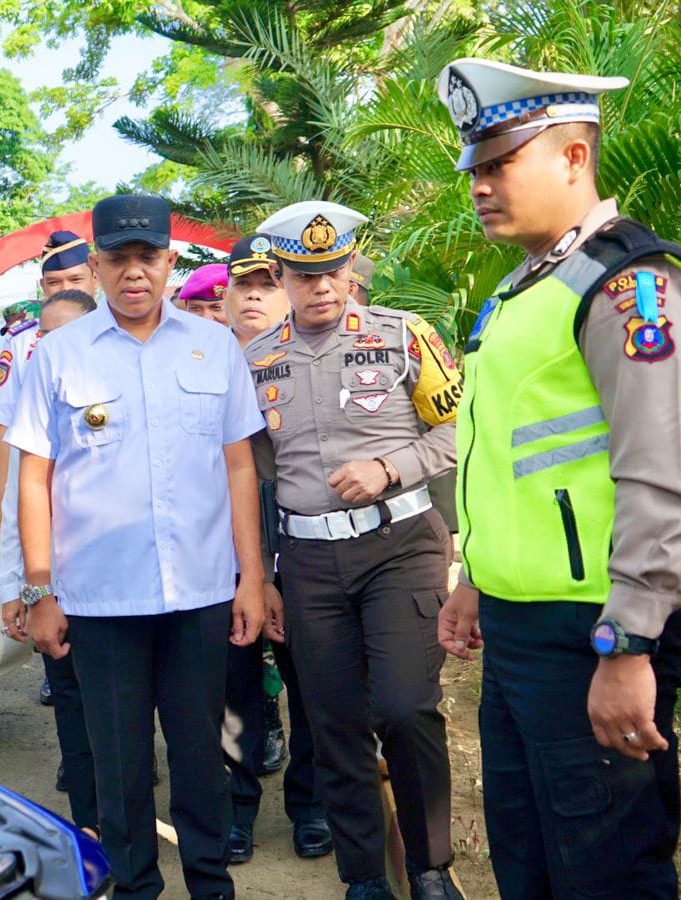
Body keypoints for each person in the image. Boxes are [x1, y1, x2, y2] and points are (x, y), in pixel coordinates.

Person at [433, 59, 681, 898]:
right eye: (475, 168)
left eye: (500, 163)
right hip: (519, 627)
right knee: (529, 862)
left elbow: (661, 476)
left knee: (606, 868)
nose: (480, 187)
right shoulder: (524, 288)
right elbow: (508, 457)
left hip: (594, 627)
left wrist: (629, 643)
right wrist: (477, 580)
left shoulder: (629, 286)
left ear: (574, 156)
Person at [9, 194, 266, 900]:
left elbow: (239, 467)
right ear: (94, 266)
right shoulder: (58, 354)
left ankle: (210, 884)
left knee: (200, 756)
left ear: (169, 261)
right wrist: (37, 589)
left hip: (200, 592)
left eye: (147, 257)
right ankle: (135, 888)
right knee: (117, 767)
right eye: (118, 258)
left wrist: (251, 579)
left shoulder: (213, 346)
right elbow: (34, 479)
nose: (133, 272)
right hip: (101, 599)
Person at [248, 200, 463, 900]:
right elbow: (250, 476)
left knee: (404, 707)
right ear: (279, 277)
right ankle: (364, 874)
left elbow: (461, 430)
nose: (322, 287)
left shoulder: (405, 336)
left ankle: (429, 867)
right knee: (333, 721)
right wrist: (263, 575)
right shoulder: (255, 361)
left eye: (333, 271)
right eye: (304, 275)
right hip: (308, 561)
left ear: (350, 271)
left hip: (399, 545)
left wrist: (390, 467)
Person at [217, 232, 333, 864]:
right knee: (232, 691)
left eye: (268, 284)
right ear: (226, 296)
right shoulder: (205, 365)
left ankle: (311, 805)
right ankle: (236, 809)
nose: (255, 297)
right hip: (225, 563)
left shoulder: (315, 359)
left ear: (287, 291)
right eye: (244, 285)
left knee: (311, 687)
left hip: (302, 554)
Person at [0, 289, 101, 833]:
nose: (49, 346)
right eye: (43, 336)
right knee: (73, 715)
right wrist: (17, 587)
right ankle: (90, 829)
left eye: (64, 334)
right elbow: (19, 504)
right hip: (56, 591)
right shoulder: (33, 404)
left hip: (120, 591)